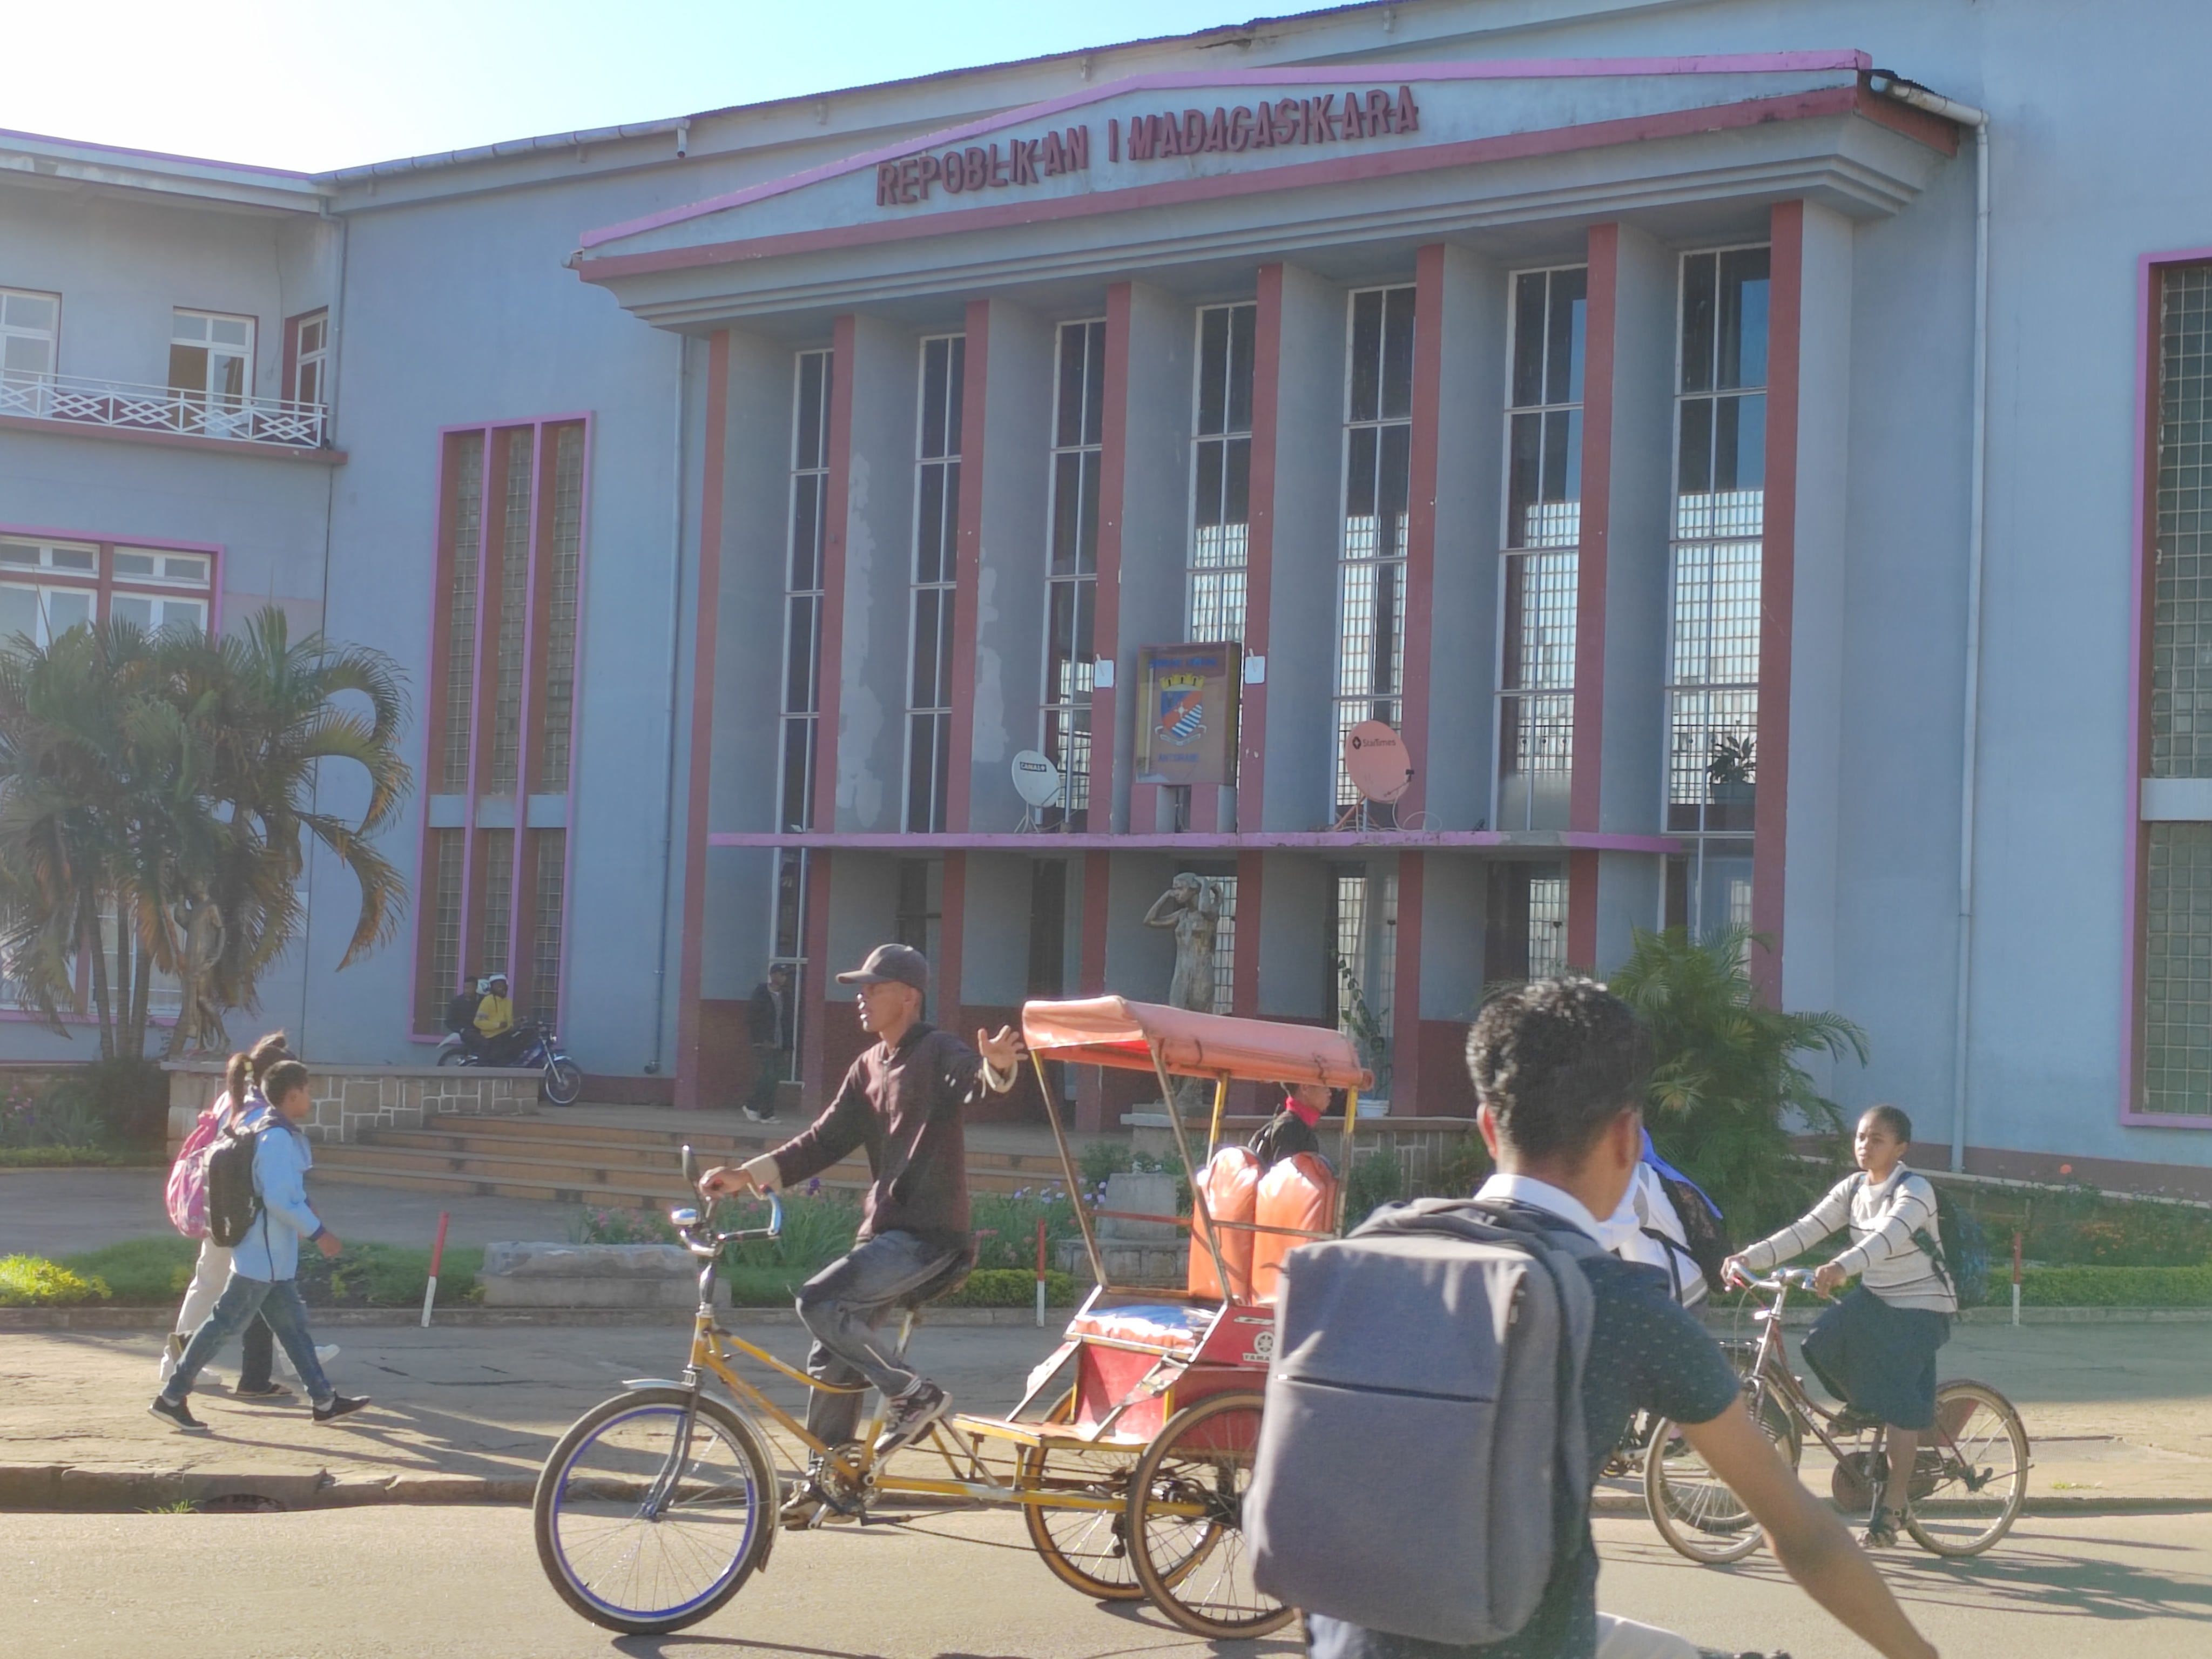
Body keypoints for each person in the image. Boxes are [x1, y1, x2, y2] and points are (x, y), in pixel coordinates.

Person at [1307, 979, 1938, 1659]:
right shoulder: (1619, 1304)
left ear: (1489, 1127)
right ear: (1628, 1137)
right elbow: (1805, 1537)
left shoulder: (1371, 1249)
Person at [696, 943, 1020, 1521]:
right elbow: (820, 1141)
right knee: (832, 1353)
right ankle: (835, 1478)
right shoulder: (867, 1067)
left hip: (929, 1240)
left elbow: (977, 1080)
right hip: (884, 1236)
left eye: (873, 987)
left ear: (908, 996)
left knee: (819, 1298)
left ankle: (913, 1394)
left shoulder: (938, 1050)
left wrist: (996, 1066)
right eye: (860, 987)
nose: (861, 998)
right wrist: (748, 1174)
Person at [1723, 1105, 1958, 1549]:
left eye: (1878, 1140)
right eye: (1861, 1137)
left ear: (1901, 1148)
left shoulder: (1915, 1190)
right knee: (1821, 1343)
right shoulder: (1853, 1188)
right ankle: (1867, 1406)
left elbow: (1887, 1237)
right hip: (1878, 1298)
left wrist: (1842, 1267)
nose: (1865, 1146)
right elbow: (1806, 1229)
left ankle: (1893, 1505)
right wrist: (1748, 1258)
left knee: (1899, 1405)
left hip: (1923, 1307)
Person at [151, 1060, 369, 1432]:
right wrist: (320, 1233)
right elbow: (280, 1200)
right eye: (308, 1091)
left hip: (271, 1260)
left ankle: (324, 1400)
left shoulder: (265, 1128)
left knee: (293, 1329)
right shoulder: (276, 1137)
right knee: (221, 1326)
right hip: (261, 1259)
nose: (312, 1098)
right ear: (293, 1094)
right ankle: (172, 1396)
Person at [157, 1033, 335, 1397]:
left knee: (215, 1285)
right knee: (249, 1294)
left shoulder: (232, 1098)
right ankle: (180, 1374)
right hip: (245, 1218)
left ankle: (175, 1363)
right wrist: (311, 1220)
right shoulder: (262, 1114)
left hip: (220, 1208)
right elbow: (271, 1176)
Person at [745, 963, 794, 1123]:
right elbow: (753, 1018)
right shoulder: (761, 993)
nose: (784, 978)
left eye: (785, 975)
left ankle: (767, 1113)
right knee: (768, 1076)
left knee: (774, 1079)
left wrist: (788, 1045)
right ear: (773, 975)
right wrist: (760, 1040)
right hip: (765, 1043)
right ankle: (752, 1106)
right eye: (781, 974)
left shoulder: (786, 995)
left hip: (780, 1043)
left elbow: (788, 1021)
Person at [1246, 1081, 1333, 1169]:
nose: (1330, 1093)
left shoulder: (1292, 1124)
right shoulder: (1290, 1128)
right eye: (1324, 1087)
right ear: (1305, 1088)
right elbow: (1287, 1177)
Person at [473, 973, 518, 1064]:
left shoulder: (508, 1002)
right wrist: (497, 1025)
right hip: (492, 1037)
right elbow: (478, 1022)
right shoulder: (487, 1001)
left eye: (502, 984)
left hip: (505, 1035)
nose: (500, 987)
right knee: (496, 1061)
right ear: (492, 987)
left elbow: (509, 1019)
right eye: (496, 984)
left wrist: (514, 1023)